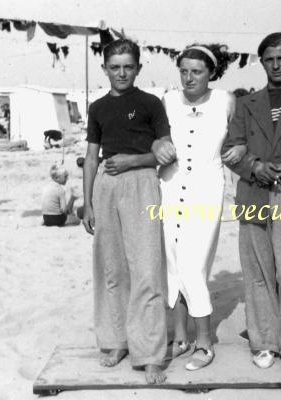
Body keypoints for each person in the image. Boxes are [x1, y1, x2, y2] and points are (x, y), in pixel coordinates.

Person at [221, 32, 281, 372]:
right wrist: (254, 167)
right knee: (259, 273)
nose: (276, 65)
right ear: (261, 62)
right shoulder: (247, 104)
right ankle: (264, 341)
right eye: (269, 59)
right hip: (254, 192)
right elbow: (230, 152)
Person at [83, 38, 169, 384]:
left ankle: (149, 353)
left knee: (146, 269)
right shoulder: (97, 107)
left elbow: (165, 152)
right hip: (106, 186)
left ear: (138, 68)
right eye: (115, 67)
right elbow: (91, 157)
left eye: (128, 66)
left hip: (143, 184)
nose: (121, 73)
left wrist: (135, 159)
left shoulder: (150, 104)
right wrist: (87, 201)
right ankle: (116, 341)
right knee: (112, 268)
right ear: (105, 69)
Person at [151, 43, 233, 371]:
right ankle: (181, 336)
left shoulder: (226, 101)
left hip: (207, 189)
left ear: (211, 72)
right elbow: (152, 136)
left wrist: (240, 151)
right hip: (169, 187)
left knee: (193, 263)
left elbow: (242, 137)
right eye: (183, 71)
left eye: (196, 71)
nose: (189, 77)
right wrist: (157, 144)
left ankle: (204, 341)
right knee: (172, 262)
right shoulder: (168, 100)